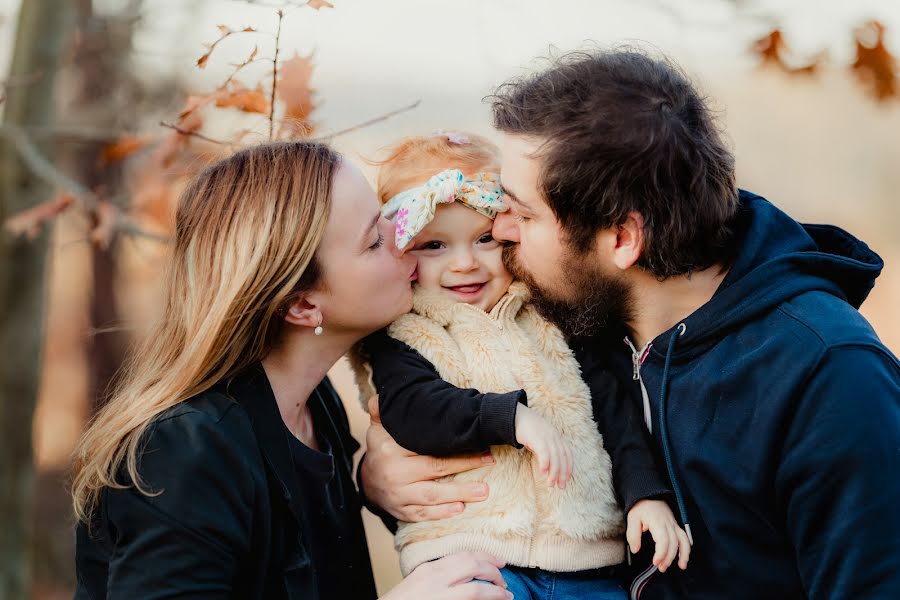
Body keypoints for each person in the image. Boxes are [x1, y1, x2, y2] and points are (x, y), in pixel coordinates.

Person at [360, 49, 900, 599]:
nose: (498, 229)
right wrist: (379, 483)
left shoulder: (828, 376)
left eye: (523, 214)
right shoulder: (572, 312)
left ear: (622, 239)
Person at [70, 141, 515, 600]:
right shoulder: (181, 454)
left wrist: (371, 488)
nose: (405, 234)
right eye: (374, 239)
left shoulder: (314, 404)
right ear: (302, 305)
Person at [352, 132, 689, 600]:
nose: (465, 263)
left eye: (484, 239)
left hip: (586, 561)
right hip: (468, 559)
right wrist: (511, 418)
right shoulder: (405, 332)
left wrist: (646, 494)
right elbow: (413, 410)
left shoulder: (551, 315)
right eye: (435, 246)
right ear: (401, 253)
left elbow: (614, 410)